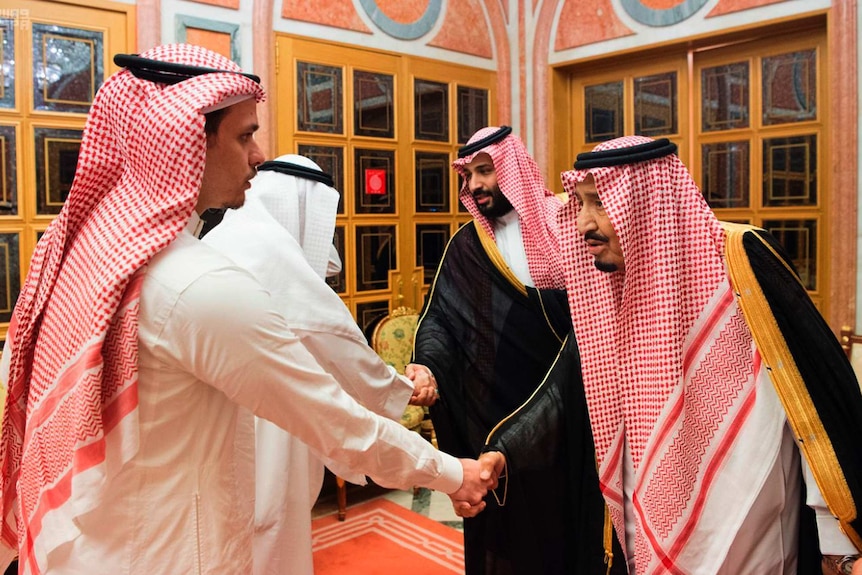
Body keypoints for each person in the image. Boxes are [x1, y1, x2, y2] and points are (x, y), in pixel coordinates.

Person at [0, 44, 494, 574]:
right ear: (184, 141)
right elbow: (333, 419)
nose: (259, 155)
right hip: (164, 555)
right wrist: (452, 473)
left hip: (77, 544)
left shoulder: (77, 254)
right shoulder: (194, 283)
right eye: (244, 136)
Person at [482, 135, 862, 574]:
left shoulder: (741, 262)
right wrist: (505, 450)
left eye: (599, 203)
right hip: (647, 527)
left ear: (647, 204)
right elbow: (564, 393)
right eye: (580, 204)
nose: (583, 223)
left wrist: (839, 544)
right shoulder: (606, 293)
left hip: (752, 530)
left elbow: (813, 410)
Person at [202, 154, 438, 575]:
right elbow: (335, 336)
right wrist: (400, 388)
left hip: (232, 409)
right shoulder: (267, 248)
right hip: (265, 416)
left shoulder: (231, 235)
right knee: (271, 521)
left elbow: (324, 273)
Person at [410, 126, 624, 574]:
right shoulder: (467, 245)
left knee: (568, 528)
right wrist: (428, 365)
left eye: (485, 171)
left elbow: (599, 314)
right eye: (468, 176)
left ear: (511, 168)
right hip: (493, 414)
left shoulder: (569, 223)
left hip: (575, 410)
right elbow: (441, 321)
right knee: (505, 536)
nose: (476, 185)